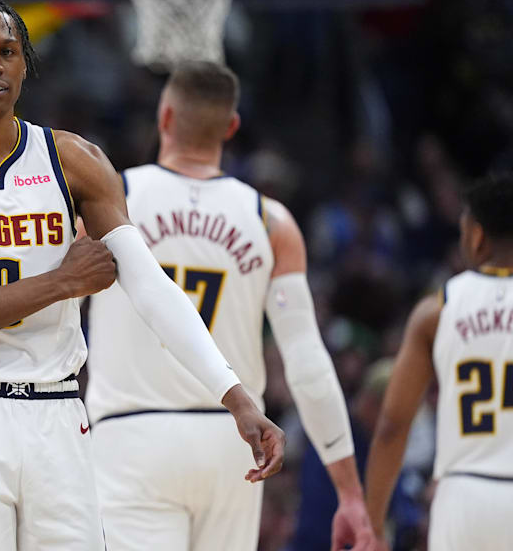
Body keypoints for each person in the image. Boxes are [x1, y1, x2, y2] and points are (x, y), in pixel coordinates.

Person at [0, 0, 285, 550]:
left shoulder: (74, 159)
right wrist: (61, 282)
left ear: (24, 64)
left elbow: (151, 286)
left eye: (6, 52)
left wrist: (235, 395)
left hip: (56, 414)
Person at [85, 62, 374, 551]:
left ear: (164, 116)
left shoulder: (113, 197)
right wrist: (349, 492)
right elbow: (306, 363)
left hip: (131, 436)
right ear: (232, 127)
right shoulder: (271, 220)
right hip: (236, 439)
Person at [365, 174, 513, 551]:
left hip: (463, 497)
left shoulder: (437, 310)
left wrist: (374, 524)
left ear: (476, 236)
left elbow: (393, 425)